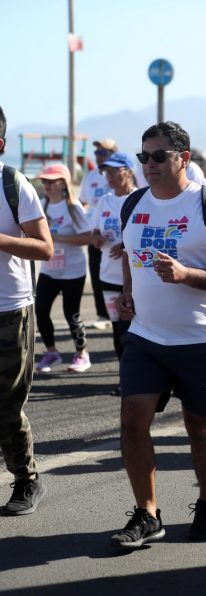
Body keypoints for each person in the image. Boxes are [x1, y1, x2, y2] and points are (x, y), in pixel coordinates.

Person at [110, 121, 206, 548]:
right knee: (132, 421)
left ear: (182, 158)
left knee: (198, 425)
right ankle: (147, 513)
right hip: (146, 336)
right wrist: (128, 295)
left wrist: (188, 274)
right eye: (143, 156)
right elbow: (133, 259)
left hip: (200, 337)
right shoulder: (133, 204)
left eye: (158, 156)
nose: (148, 164)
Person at [0, 105, 54, 515]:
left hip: (9, 310)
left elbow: (44, 247)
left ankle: (26, 479)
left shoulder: (12, 184)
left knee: (7, 402)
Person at [34, 164, 93, 373]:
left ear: (63, 183)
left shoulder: (73, 207)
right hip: (49, 270)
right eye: (44, 181)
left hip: (72, 271)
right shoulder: (41, 205)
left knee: (72, 314)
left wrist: (56, 238)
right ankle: (51, 353)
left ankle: (81, 354)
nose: (47, 185)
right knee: (40, 311)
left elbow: (88, 238)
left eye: (51, 181)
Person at [91, 152, 139, 394]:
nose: (109, 176)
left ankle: (138, 378)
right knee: (118, 329)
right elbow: (95, 232)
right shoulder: (104, 201)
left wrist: (126, 246)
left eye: (115, 170)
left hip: (135, 279)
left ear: (129, 172)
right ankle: (126, 376)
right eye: (106, 171)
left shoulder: (140, 199)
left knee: (132, 328)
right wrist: (97, 238)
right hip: (108, 276)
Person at [81, 138, 117, 324]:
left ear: (113, 153)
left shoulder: (122, 174)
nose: (99, 156)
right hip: (95, 233)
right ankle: (102, 314)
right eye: (96, 153)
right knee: (96, 274)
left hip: (116, 237)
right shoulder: (91, 176)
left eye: (103, 153)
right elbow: (83, 202)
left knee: (118, 276)